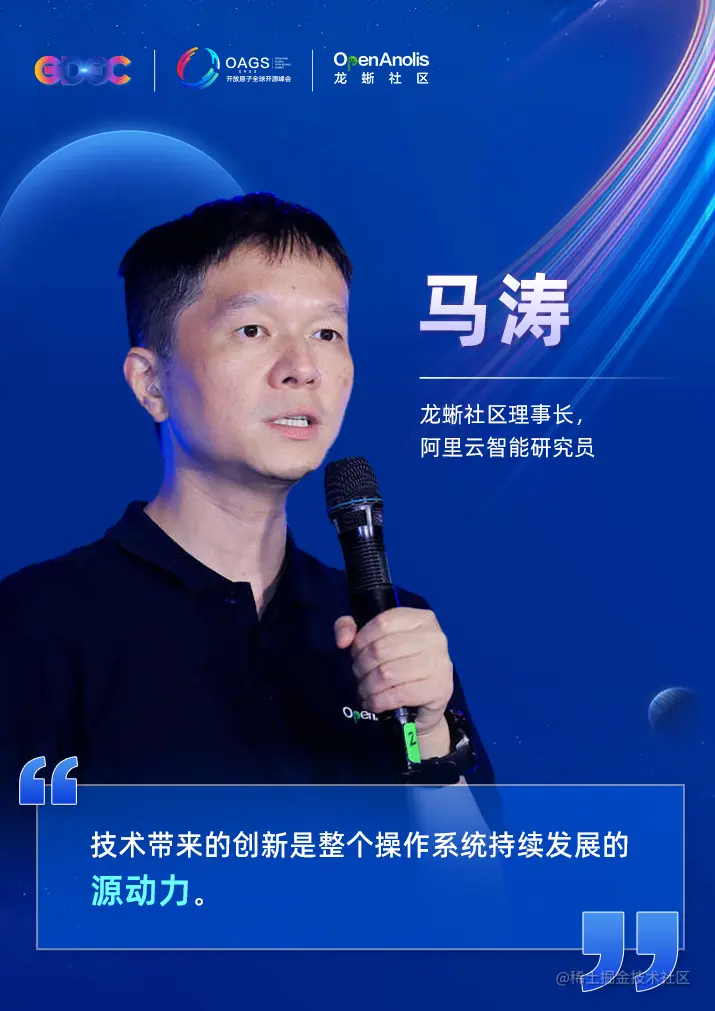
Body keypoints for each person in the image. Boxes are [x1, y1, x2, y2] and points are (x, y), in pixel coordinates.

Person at [0, 192, 494, 789]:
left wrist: (430, 734)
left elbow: (476, 855)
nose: (302, 367)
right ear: (151, 383)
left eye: (327, 333)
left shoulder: (391, 628)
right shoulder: (35, 624)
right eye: (253, 329)